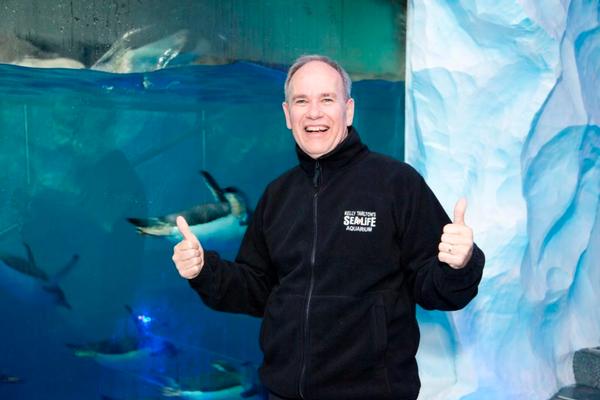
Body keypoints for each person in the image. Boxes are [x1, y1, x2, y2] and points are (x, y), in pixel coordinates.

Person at [171, 54, 485, 400]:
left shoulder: (396, 184)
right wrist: (204, 270)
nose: (314, 113)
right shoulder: (278, 195)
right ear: (287, 114)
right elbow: (257, 290)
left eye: (327, 99)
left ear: (348, 110)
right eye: (301, 101)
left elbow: (435, 289)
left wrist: (460, 264)